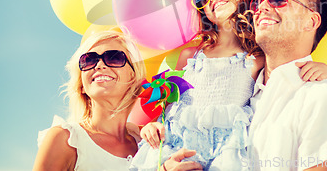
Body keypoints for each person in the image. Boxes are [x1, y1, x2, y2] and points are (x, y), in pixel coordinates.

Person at [131, 0, 327, 170]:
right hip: (178, 145)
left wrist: (321, 67)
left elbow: (287, 73)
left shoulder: (259, 56)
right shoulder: (190, 55)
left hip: (224, 152)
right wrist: (152, 125)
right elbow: (170, 105)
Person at [33, 30, 203, 171]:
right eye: (89, 60)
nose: (99, 65)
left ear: (134, 77)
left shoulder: (149, 140)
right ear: (82, 85)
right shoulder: (66, 139)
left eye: (114, 57)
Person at [248, 0, 327, 171]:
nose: (262, 6)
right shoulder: (238, 90)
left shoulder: (321, 98)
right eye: (258, 0)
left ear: (311, 21)